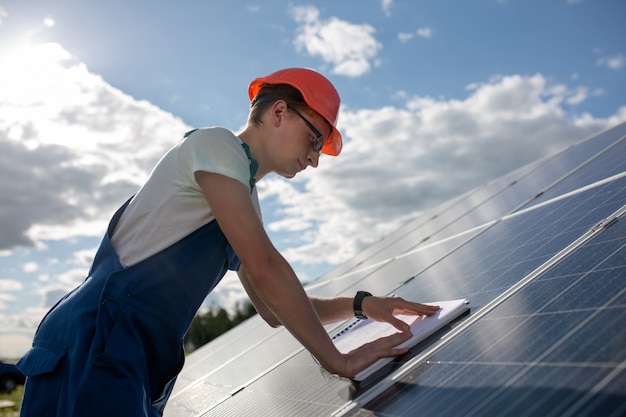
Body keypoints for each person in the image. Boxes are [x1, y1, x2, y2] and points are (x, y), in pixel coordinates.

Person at [16, 68, 440, 416]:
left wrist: (361, 305)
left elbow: (275, 310)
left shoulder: (241, 198)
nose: (314, 158)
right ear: (279, 113)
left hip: (131, 351)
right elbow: (266, 267)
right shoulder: (216, 146)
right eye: (314, 139)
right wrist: (338, 360)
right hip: (98, 337)